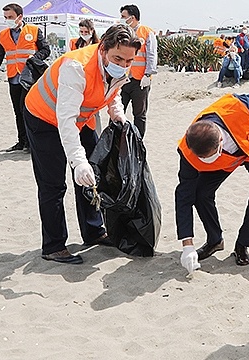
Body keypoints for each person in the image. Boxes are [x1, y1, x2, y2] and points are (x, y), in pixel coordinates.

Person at [22, 24, 141, 264]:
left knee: (93, 175)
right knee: (53, 183)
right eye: (118, 58)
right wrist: (78, 162)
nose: (123, 65)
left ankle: (94, 231)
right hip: (44, 117)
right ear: (104, 48)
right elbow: (65, 120)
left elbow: (112, 91)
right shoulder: (76, 67)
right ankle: (54, 246)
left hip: (82, 119)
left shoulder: (119, 65)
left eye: (129, 61)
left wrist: (117, 114)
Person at [175, 90, 249, 272]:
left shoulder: (238, 107)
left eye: (207, 157)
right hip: (226, 161)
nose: (202, 161)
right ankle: (215, 240)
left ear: (220, 143)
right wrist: (187, 245)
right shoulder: (188, 150)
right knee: (201, 194)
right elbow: (183, 195)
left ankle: (242, 245)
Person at [0, 3, 51, 152]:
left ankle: (31, 142)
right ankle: (22, 142)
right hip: (13, 77)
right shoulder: (3, 35)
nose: (7, 20)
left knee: (26, 109)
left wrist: (35, 57)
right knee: (17, 111)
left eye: (10, 17)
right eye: (5, 17)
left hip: (29, 78)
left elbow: (46, 50)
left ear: (20, 17)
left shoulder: (34, 31)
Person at [119, 4, 158, 137]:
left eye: (123, 16)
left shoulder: (147, 32)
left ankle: (138, 139)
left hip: (140, 81)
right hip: (123, 79)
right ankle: (117, 137)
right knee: (118, 110)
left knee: (139, 114)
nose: (121, 19)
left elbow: (152, 54)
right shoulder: (123, 32)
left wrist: (148, 74)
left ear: (132, 17)